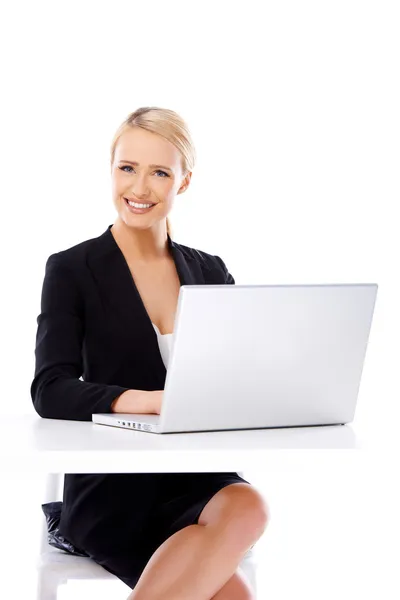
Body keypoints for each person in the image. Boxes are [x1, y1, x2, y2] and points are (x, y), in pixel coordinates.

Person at [31, 106, 269, 600]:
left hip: (195, 478)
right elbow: (49, 389)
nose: (140, 188)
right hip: (114, 483)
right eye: (127, 168)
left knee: (250, 506)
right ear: (111, 170)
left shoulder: (209, 271)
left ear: (182, 182)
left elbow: (233, 373)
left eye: (159, 172)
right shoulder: (73, 269)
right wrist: (147, 399)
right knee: (235, 597)